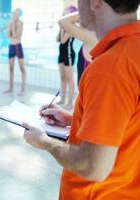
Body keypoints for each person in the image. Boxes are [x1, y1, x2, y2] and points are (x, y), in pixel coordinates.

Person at [22, 0, 140, 199]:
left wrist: (45, 142)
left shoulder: (110, 68)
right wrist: (75, 120)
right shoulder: (133, 50)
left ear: (94, 2)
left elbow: (93, 166)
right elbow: (129, 122)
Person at [58, 11, 98, 85]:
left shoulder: (91, 37)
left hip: (89, 93)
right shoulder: (93, 36)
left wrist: (88, 9)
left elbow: (62, 21)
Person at [56, 6, 77, 110]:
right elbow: (57, 39)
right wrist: (61, 27)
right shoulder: (63, 27)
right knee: (62, 78)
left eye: (66, 14)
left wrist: (62, 27)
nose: (64, 15)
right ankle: (62, 99)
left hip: (68, 54)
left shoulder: (71, 28)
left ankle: (70, 103)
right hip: (61, 54)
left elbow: (63, 40)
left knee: (70, 79)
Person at [4, 8, 26, 96]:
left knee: (22, 68)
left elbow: (16, 35)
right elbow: (7, 35)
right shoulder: (9, 23)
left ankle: (22, 89)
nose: (14, 16)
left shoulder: (20, 23)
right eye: (13, 14)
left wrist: (13, 24)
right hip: (11, 46)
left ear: (19, 15)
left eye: (16, 14)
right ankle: (10, 88)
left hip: (18, 46)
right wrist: (11, 24)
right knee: (11, 68)